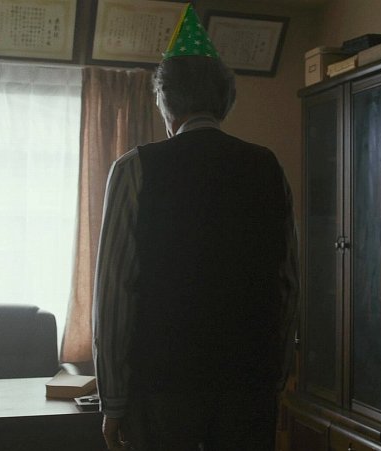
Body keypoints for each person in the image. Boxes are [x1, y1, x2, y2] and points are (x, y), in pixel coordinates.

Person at [91, 4, 299, 450]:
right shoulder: (268, 167)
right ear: (225, 101)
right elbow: (287, 283)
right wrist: (277, 377)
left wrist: (114, 401)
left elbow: (113, 296)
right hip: (248, 385)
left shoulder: (134, 168)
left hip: (162, 387)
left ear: (166, 103)